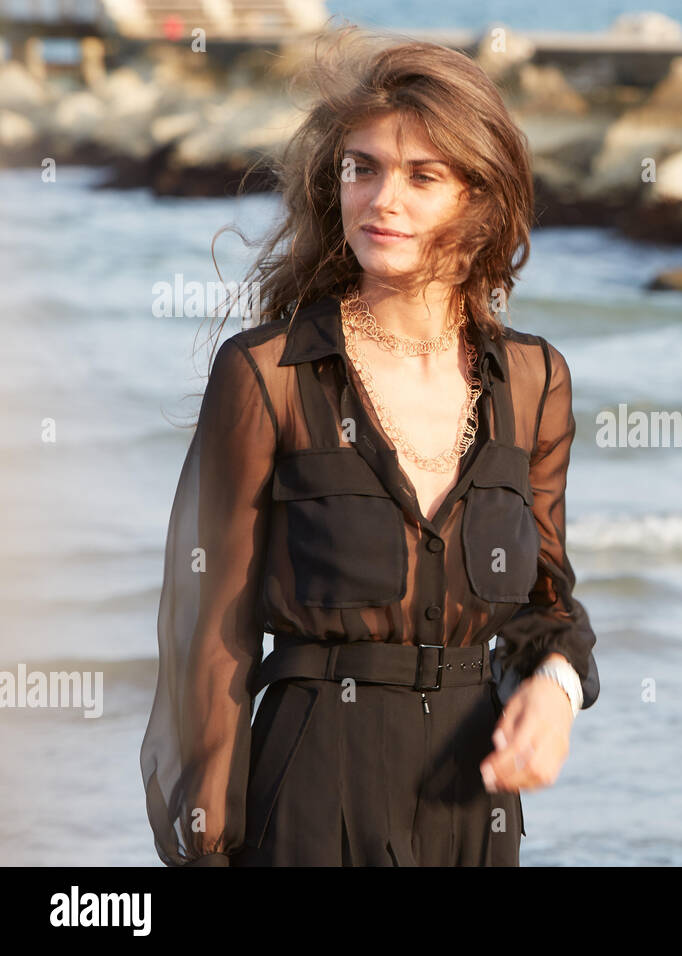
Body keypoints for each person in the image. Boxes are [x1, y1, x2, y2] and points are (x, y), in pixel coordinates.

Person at [139, 28, 599, 866]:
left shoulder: (534, 381)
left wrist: (555, 690)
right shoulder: (267, 374)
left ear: (480, 199)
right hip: (310, 792)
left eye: (423, 176)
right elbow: (213, 635)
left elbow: (545, 603)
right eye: (364, 168)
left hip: (474, 804)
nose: (383, 200)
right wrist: (207, 842)